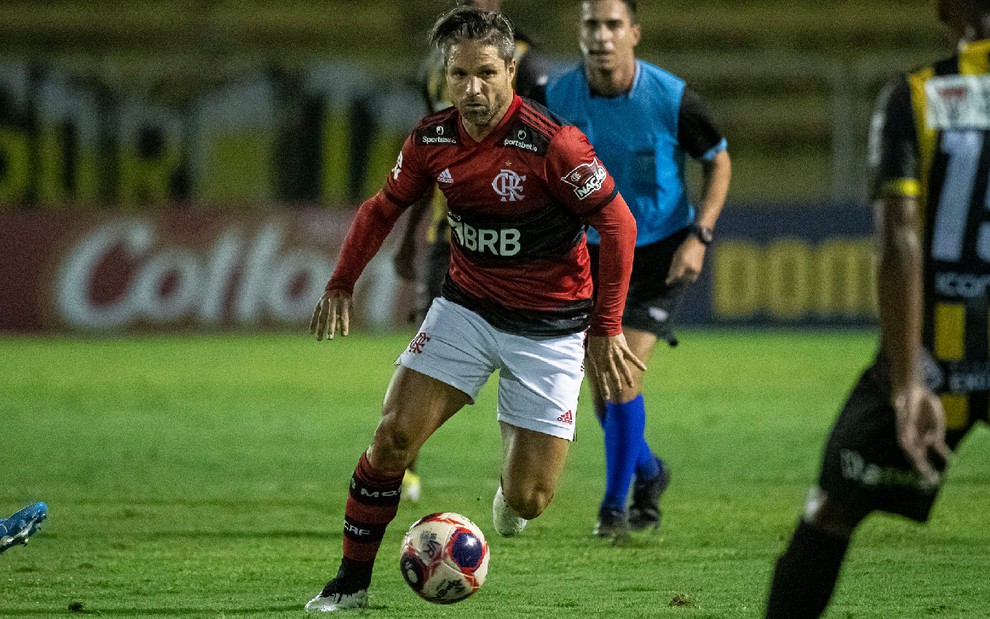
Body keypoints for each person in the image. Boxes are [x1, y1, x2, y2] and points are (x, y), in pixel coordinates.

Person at [305, 7, 642, 612]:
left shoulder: (554, 144)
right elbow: (383, 207)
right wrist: (340, 283)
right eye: (458, 74)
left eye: (486, 72)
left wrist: (606, 326)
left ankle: (507, 504)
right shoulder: (432, 138)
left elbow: (617, 223)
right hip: (466, 309)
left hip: (550, 331)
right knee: (391, 438)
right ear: (444, 75)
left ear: (511, 68)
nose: (472, 89)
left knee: (529, 499)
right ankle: (349, 584)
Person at [763, 1, 990, 616]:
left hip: (943, 349)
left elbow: (899, 236)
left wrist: (908, 377)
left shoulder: (920, 95)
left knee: (831, 512)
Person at [546, 0, 731, 537]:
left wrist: (700, 235)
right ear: (580, 34)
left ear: (634, 34)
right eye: (591, 25)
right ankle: (649, 472)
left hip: (657, 253)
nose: (601, 36)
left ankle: (613, 510)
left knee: (622, 373)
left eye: (612, 25)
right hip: (588, 253)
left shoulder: (672, 98)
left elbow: (718, 158)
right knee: (603, 389)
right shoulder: (555, 97)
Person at [392, 0, 550, 504]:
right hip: (448, 230)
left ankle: (518, 475)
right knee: (426, 336)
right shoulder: (436, 64)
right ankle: (405, 466)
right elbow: (427, 158)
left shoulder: (528, 60)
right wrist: (407, 235)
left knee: (520, 353)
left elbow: (550, 142)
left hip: (518, 236)